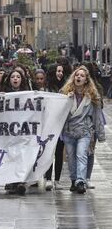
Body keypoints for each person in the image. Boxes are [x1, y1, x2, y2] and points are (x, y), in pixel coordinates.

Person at [61, 66, 105, 194]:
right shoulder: (65, 93)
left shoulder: (92, 95)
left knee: (81, 155)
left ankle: (81, 181)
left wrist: (100, 134)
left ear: (86, 79)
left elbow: (97, 116)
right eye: (76, 75)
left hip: (84, 131)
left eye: (82, 75)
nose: (78, 77)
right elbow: (58, 113)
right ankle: (74, 179)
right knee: (71, 158)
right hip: (69, 131)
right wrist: (66, 101)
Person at [1, 69, 29, 195]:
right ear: (9, 79)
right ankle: (11, 180)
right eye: (13, 76)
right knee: (10, 155)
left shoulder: (28, 94)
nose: (16, 79)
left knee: (22, 155)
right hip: (8, 132)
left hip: (23, 131)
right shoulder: (2, 93)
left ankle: (21, 181)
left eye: (18, 76)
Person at [44, 64, 66, 190]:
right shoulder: (47, 88)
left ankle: (57, 180)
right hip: (49, 125)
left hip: (61, 125)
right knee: (49, 152)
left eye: (62, 71)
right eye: (58, 71)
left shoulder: (66, 86)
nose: (60, 73)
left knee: (59, 152)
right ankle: (48, 179)